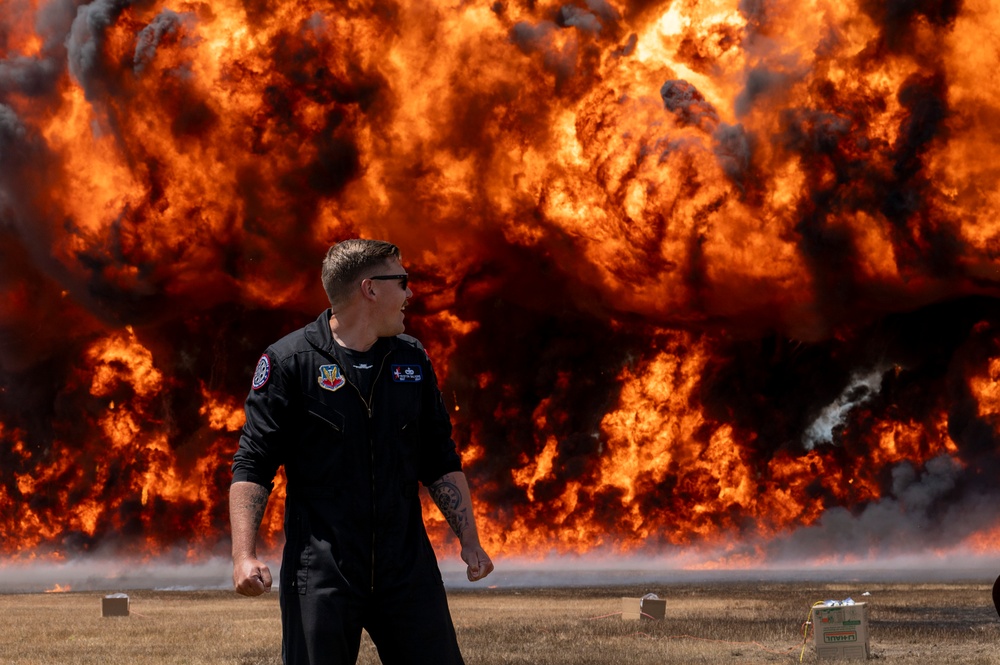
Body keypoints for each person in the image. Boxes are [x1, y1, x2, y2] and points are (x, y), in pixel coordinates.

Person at [230, 239, 494, 664]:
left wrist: (470, 541)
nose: (410, 294)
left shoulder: (413, 360)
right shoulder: (289, 362)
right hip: (320, 573)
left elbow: (440, 459)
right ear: (370, 289)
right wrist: (243, 556)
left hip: (407, 568)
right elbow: (253, 465)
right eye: (402, 281)